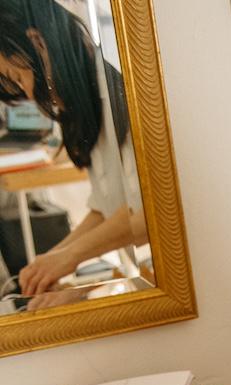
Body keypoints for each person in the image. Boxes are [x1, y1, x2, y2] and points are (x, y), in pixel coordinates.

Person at [0, 0, 145, 299]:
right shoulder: (88, 105)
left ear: (38, 42)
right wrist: (50, 261)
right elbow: (107, 209)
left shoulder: (124, 92)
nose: (27, 93)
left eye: (19, 77)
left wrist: (68, 258)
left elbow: (147, 215)